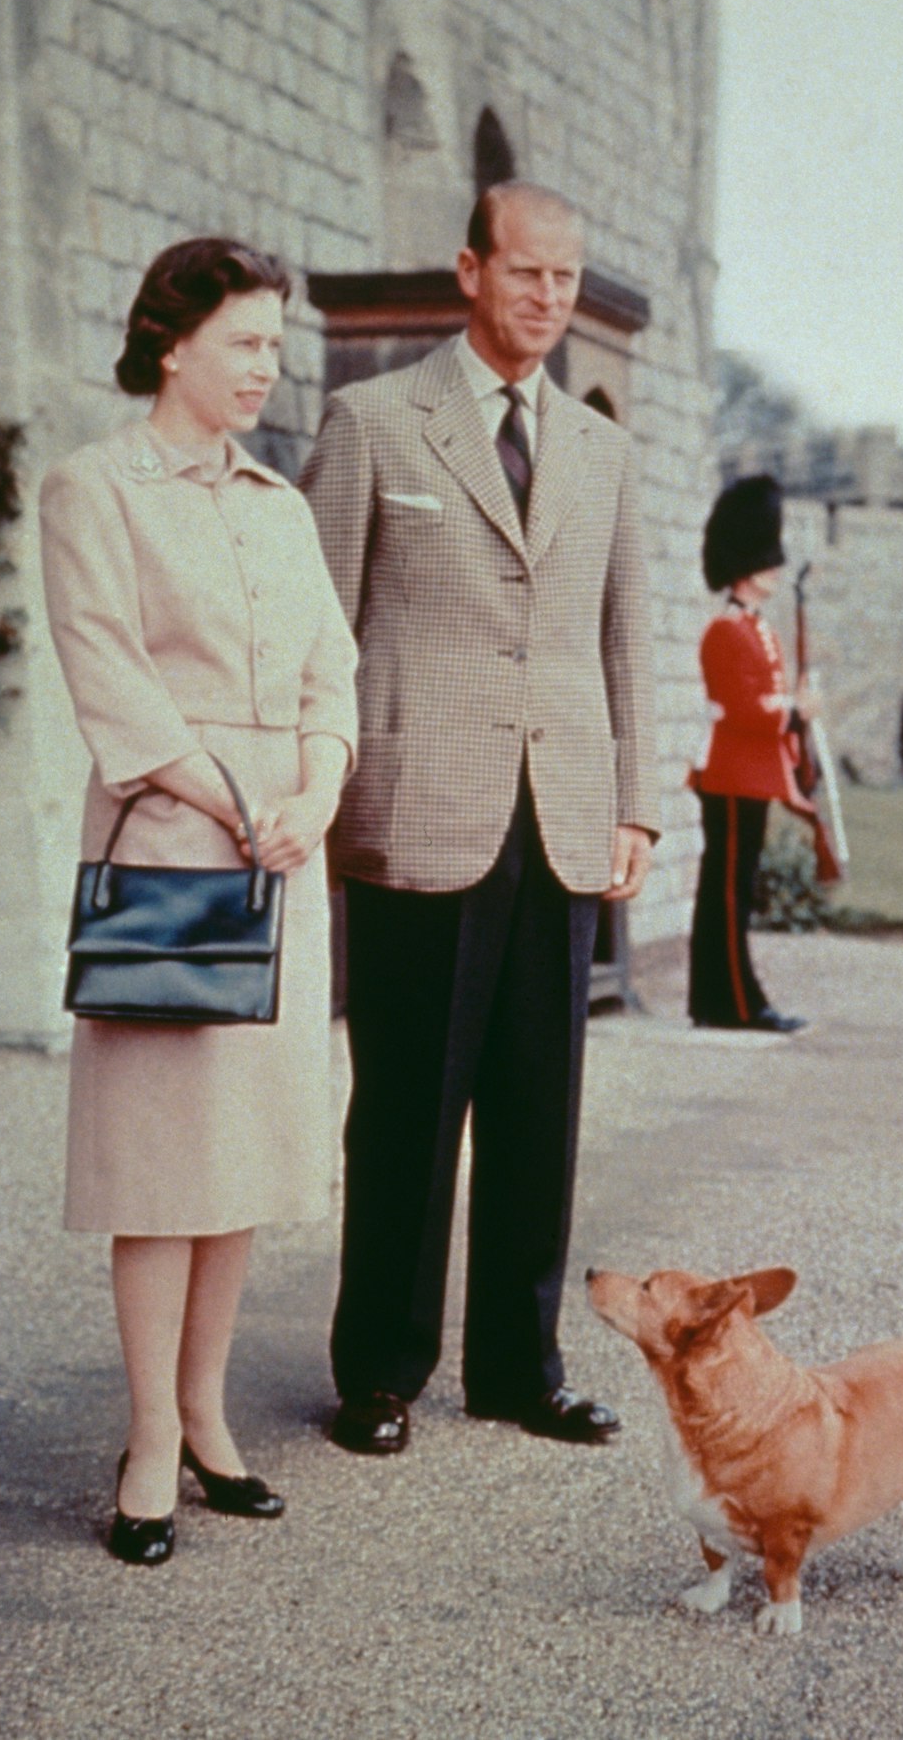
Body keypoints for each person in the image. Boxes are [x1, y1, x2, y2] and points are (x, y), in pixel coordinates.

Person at [300, 180, 659, 1457]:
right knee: (404, 1101)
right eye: (525, 274)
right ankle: (381, 1369)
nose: (548, 299)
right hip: (418, 809)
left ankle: (520, 1365)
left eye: (566, 279)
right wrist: (314, 790)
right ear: (470, 270)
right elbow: (318, 628)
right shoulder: (373, 423)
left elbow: (628, 638)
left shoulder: (603, 449)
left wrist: (638, 809)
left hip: (560, 812)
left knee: (538, 1103)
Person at [39, 238, 358, 1563]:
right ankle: (150, 1439)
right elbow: (112, 680)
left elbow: (335, 675)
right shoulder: (91, 489)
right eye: (244, 342)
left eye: (276, 347)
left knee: (245, 1157)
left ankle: (209, 1410)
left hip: (285, 861)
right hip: (175, 848)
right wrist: (239, 801)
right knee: (162, 1167)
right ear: (172, 344)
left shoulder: (282, 505)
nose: (264, 370)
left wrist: (321, 793)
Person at [687, 474, 813, 1035]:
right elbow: (743, 708)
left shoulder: (757, 629)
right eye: (767, 560)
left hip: (754, 774)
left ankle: (716, 999)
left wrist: (791, 715)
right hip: (732, 774)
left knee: (733, 889)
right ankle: (736, 1002)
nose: (776, 569)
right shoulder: (725, 631)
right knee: (728, 893)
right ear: (746, 566)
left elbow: (768, 697)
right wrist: (795, 713)